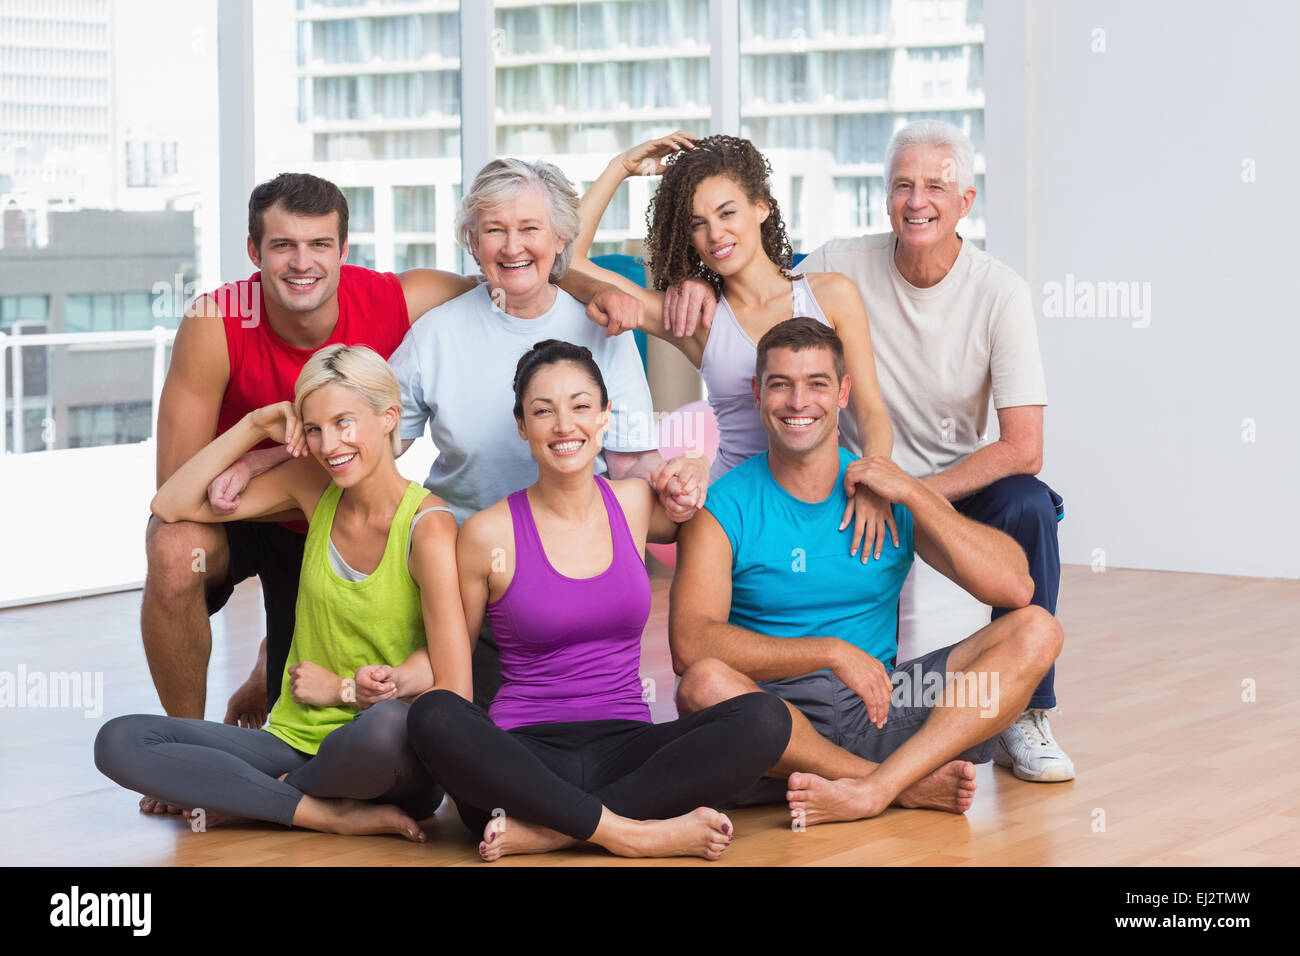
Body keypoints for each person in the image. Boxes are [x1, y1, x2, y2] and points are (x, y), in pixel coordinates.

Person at [142, 171, 638, 742]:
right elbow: (172, 493)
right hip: (274, 502)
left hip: (342, 521)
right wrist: (259, 446)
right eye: (282, 246)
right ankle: (185, 746)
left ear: (344, 250)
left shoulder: (405, 298)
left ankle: (272, 661)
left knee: (322, 697)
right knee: (174, 545)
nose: (302, 263)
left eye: (319, 245)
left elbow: (514, 274)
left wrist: (593, 290)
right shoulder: (217, 322)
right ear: (254, 251)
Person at [405, 340, 792, 861]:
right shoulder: (485, 533)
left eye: (581, 406)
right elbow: (454, 663)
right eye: (543, 411)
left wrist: (696, 464)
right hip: (524, 757)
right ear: (522, 425)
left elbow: (693, 508)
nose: (565, 425)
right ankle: (633, 832)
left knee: (767, 719)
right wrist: (393, 681)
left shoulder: (633, 503)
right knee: (434, 715)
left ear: (606, 416)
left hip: (628, 748)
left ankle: (555, 832)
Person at [670, 319, 1063, 825]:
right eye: (780, 384)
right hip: (770, 725)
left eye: (816, 383)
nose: (798, 402)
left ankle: (875, 784)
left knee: (1036, 630)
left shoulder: (884, 494)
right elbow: (690, 646)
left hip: (881, 709)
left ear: (843, 392)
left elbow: (1015, 586)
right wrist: (829, 652)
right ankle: (893, 785)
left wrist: (916, 492)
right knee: (703, 685)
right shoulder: (724, 507)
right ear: (757, 393)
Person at [96, 345, 471, 840]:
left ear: (388, 418)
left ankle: (259, 796)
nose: (329, 444)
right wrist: (252, 428)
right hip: (292, 740)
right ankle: (321, 812)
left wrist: (344, 691)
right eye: (314, 429)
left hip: (390, 757)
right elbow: (170, 503)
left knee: (384, 727)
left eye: (344, 422)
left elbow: (455, 693)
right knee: (119, 740)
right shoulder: (312, 486)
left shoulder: (428, 527)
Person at [793, 120, 1072, 782]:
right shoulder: (839, 264)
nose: (917, 201)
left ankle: (1026, 711)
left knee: (1031, 505)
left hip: (954, 484)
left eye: (936, 187)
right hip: (858, 482)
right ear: (886, 196)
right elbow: (758, 294)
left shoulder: (999, 291)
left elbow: (1023, 447)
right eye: (903, 185)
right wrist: (692, 286)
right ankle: (833, 704)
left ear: (966, 202)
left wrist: (915, 490)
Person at [389, 157, 710, 709]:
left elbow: (633, 466)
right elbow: (377, 443)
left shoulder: (603, 327)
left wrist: (684, 475)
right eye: (495, 230)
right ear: (472, 239)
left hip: (572, 578)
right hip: (470, 582)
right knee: (471, 749)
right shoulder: (435, 336)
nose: (513, 247)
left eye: (529, 229)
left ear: (562, 237)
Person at [567, 132, 899, 560]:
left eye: (727, 213)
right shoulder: (695, 320)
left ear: (761, 206)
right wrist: (621, 167)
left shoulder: (832, 295)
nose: (716, 234)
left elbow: (871, 412)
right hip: (731, 508)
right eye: (697, 223)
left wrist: (875, 484)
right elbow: (566, 264)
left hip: (820, 495)